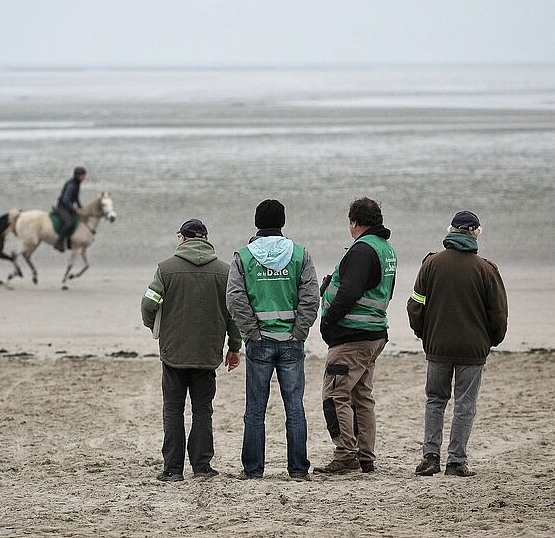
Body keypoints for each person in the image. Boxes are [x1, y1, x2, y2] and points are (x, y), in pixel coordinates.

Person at [408, 210, 508, 477]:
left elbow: (415, 306)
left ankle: (430, 457)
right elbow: (498, 315)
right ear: (475, 233)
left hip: (438, 346)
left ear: (450, 232)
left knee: (435, 401)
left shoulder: (430, 264)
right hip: (473, 349)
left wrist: (424, 334)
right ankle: (456, 461)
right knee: (465, 405)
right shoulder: (487, 269)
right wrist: (491, 341)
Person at [141, 219, 242, 482]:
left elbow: (148, 302)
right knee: (202, 410)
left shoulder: (166, 269)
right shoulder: (224, 271)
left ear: (182, 239)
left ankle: (173, 469)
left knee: (173, 409)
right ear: (206, 239)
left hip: (173, 352)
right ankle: (202, 467)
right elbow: (233, 315)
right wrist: (234, 347)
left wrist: (154, 326)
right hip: (207, 353)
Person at [226, 199, 319, 481]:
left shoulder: (243, 257)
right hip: (291, 341)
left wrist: (251, 332)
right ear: (282, 222)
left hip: (260, 342)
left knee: (255, 409)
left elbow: (234, 299)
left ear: (257, 223)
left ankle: (253, 470)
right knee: (295, 407)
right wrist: (299, 332)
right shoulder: (300, 254)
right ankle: (298, 470)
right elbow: (311, 298)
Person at [315, 197, 396, 475]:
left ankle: (346, 453)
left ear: (353, 222)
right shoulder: (386, 249)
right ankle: (365, 455)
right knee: (361, 395)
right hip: (374, 333)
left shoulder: (362, 250)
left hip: (352, 336)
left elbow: (350, 292)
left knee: (335, 394)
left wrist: (328, 321)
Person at [54, 166, 86, 252]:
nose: (84, 177)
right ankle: (59, 242)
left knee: (77, 220)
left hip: (68, 207)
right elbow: (65, 199)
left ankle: (69, 241)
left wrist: (81, 207)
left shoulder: (77, 184)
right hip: (62, 207)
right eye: (82, 176)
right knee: (69, 223)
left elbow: (76, 198)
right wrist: (74, 209)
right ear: (77, 176)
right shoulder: (71, 185)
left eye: (84, 175)